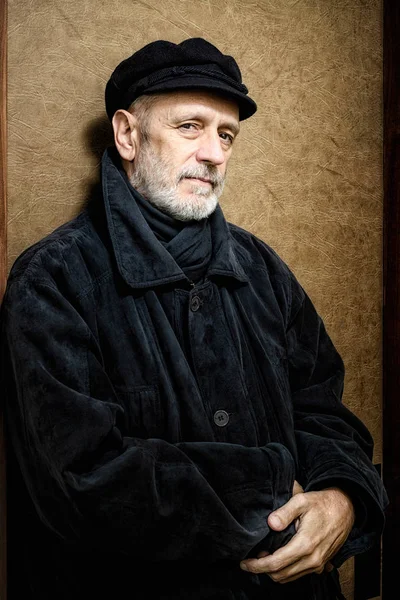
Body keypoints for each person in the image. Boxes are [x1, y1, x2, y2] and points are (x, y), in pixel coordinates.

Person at [1, 37, 388, 600]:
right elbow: (83, 481)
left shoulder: (262, 269)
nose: (215, 153)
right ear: (128, 135)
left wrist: (343, 496)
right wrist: (272, 488)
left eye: (226, 134)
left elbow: (325, 412)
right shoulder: (54, 280)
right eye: (190, 127)